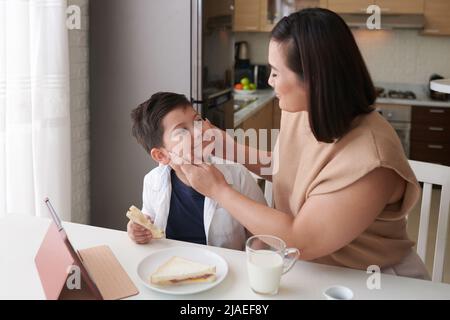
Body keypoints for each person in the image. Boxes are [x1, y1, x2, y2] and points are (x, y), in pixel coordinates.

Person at [178, 8, 430, 279]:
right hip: (314, 270)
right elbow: (292, 169)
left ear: (313, 79)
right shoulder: (302, 110)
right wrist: (228, 147)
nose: (269, 80)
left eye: (276, 72)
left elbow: (300, 240)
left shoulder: (372, 160)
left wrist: (218, 190)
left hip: (373, 280)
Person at [127, 92, 266, 250]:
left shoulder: (238, 175)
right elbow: (149, 218)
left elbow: (263, 236)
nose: (199, 132)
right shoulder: (152, 181)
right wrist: (138, 229)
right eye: (181, 131)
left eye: (198, 121)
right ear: (161, 155)